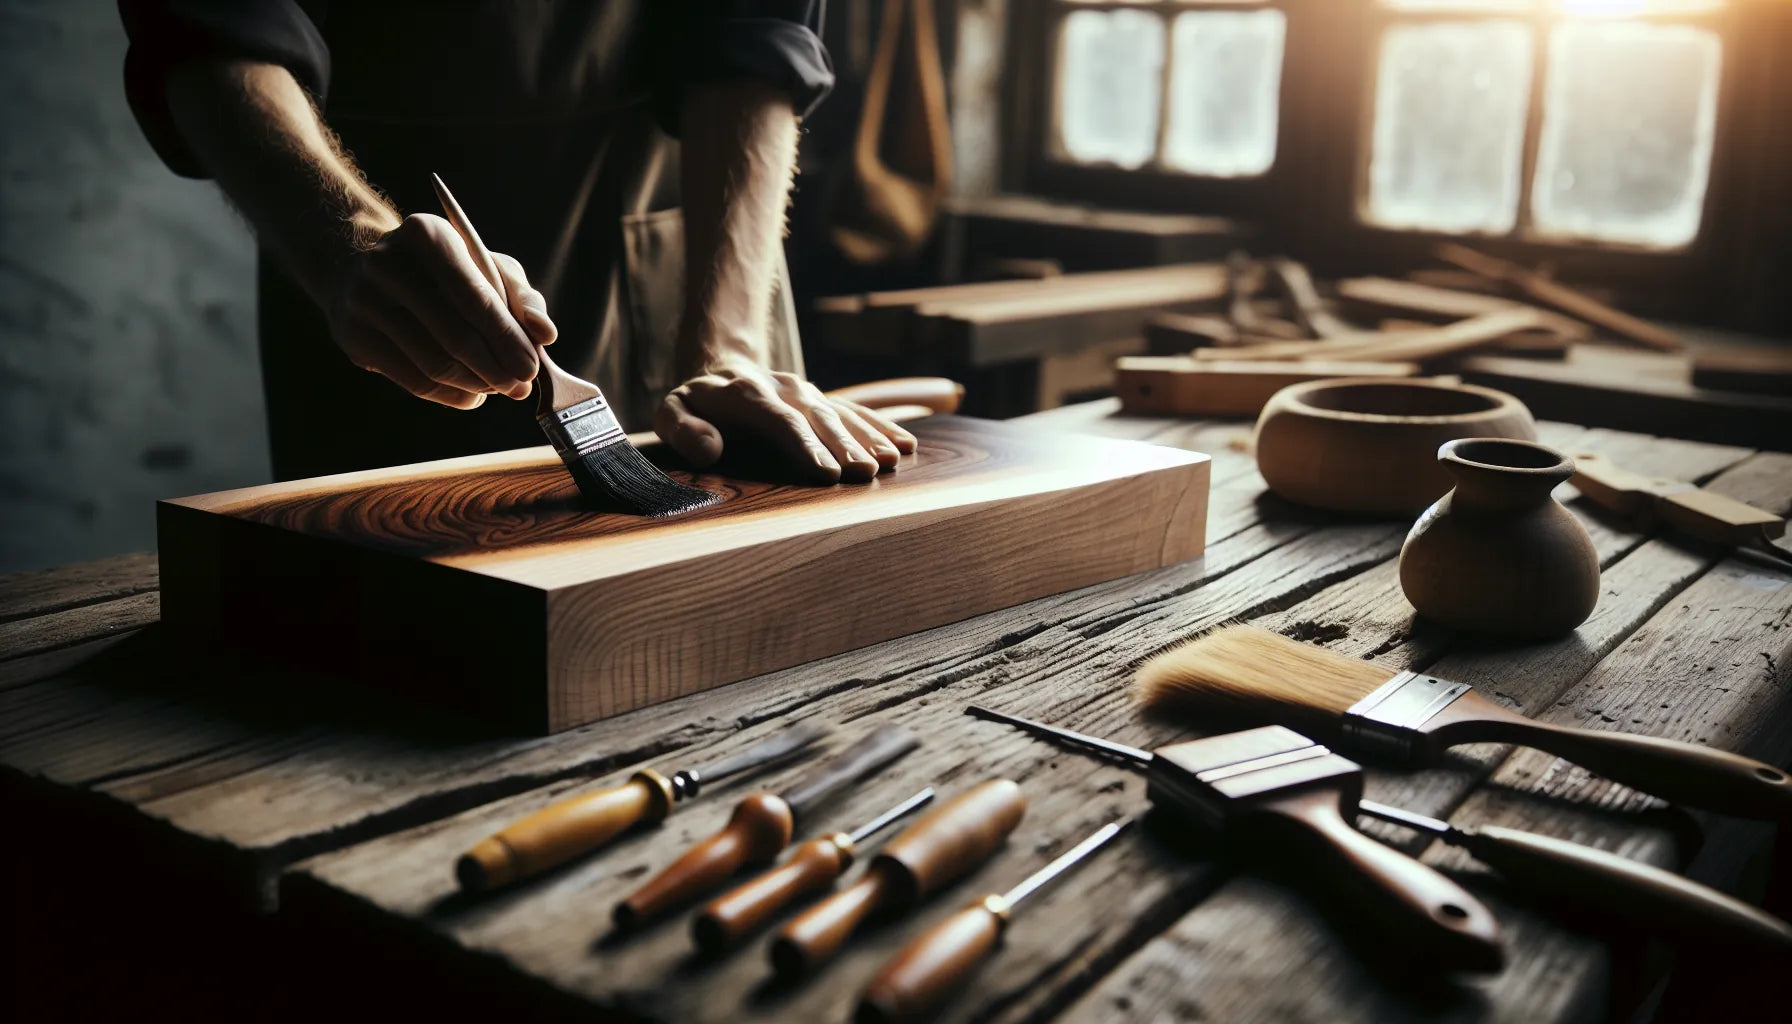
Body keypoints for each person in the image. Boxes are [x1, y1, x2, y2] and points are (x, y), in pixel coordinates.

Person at [119, 1, 916, 484]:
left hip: (690, 249)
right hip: (369, 277)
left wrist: (727, 347)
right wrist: (345, 242)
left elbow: (755, 31)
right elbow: (213, 25)